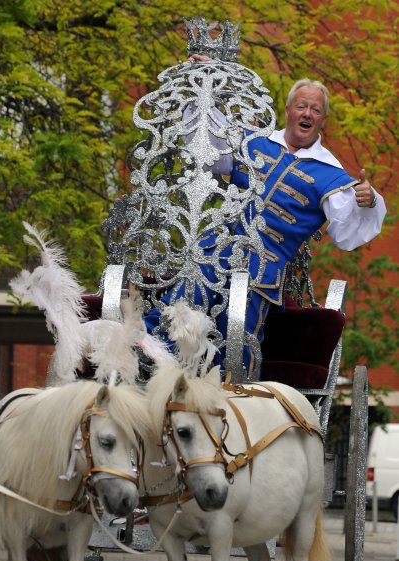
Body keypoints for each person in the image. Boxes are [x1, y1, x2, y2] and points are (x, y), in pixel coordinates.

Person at [144, 61, 386, 378]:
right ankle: (147, 364)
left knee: (237, 332)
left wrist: (368, 202)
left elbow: (346, 234)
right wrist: (202, 82)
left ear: (322, 120)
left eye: (315, 110)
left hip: (263, 269)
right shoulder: (252, 141)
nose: (308, 114)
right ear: (288, 110)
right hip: (214, 247)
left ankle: (234, 398)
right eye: (302, 106)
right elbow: (208, 146)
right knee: (184, 300)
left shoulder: (331, 175)